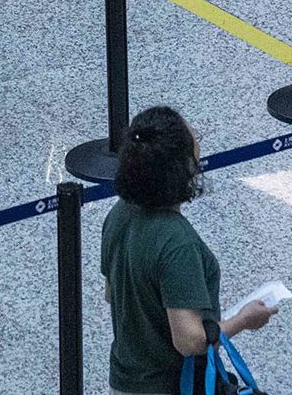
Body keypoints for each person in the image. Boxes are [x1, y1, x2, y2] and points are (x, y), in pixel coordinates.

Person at [98, 106, 275, 395]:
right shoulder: (177, 243)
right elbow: (190, 341)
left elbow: (111, 293)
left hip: (124, 380)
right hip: (168, 387)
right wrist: (242, 321)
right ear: (183, 168)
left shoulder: (118, 214)